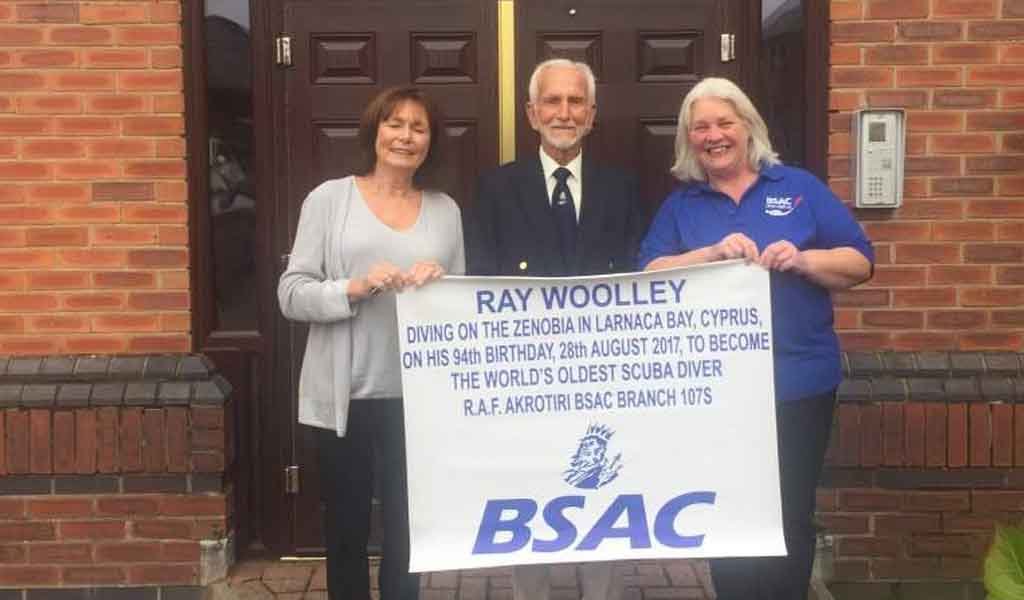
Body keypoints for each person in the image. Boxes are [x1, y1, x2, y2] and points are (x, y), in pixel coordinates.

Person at [639, 77, 874, 600]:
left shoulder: (798, 188)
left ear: (748, 128)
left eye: (725, 122)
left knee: (791, 509)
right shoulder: (683, 206)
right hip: (716, 389)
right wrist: (709, 254)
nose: (714, 135)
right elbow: (649, 271)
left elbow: (859, 262)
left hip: (799, 381)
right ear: (688, 139)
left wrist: (802, 259)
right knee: (730, 509)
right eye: (700, 127)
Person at [466, 58, 646, 600]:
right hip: (527, 377)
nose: (563, 113)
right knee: (531, 493)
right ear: (530, 113)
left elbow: (640, 278)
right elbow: (480, 280)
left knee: (604, 492)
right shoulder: (495, 188)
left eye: (575, 102)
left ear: (592, 115)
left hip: (604, 373)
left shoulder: (623, 188)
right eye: (552, 101)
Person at [278, 86, 464, 600]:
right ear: (374, 131)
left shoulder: (446, 210)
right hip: (346, 396)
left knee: (407, 532)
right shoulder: (329, 199)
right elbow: (291, 294)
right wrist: (353, 287)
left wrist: (441, 281)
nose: (405, 136)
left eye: (418, 127)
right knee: (346, 530)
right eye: (395, 124)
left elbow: (462, 309)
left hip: (415, 398)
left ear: (430, 142)